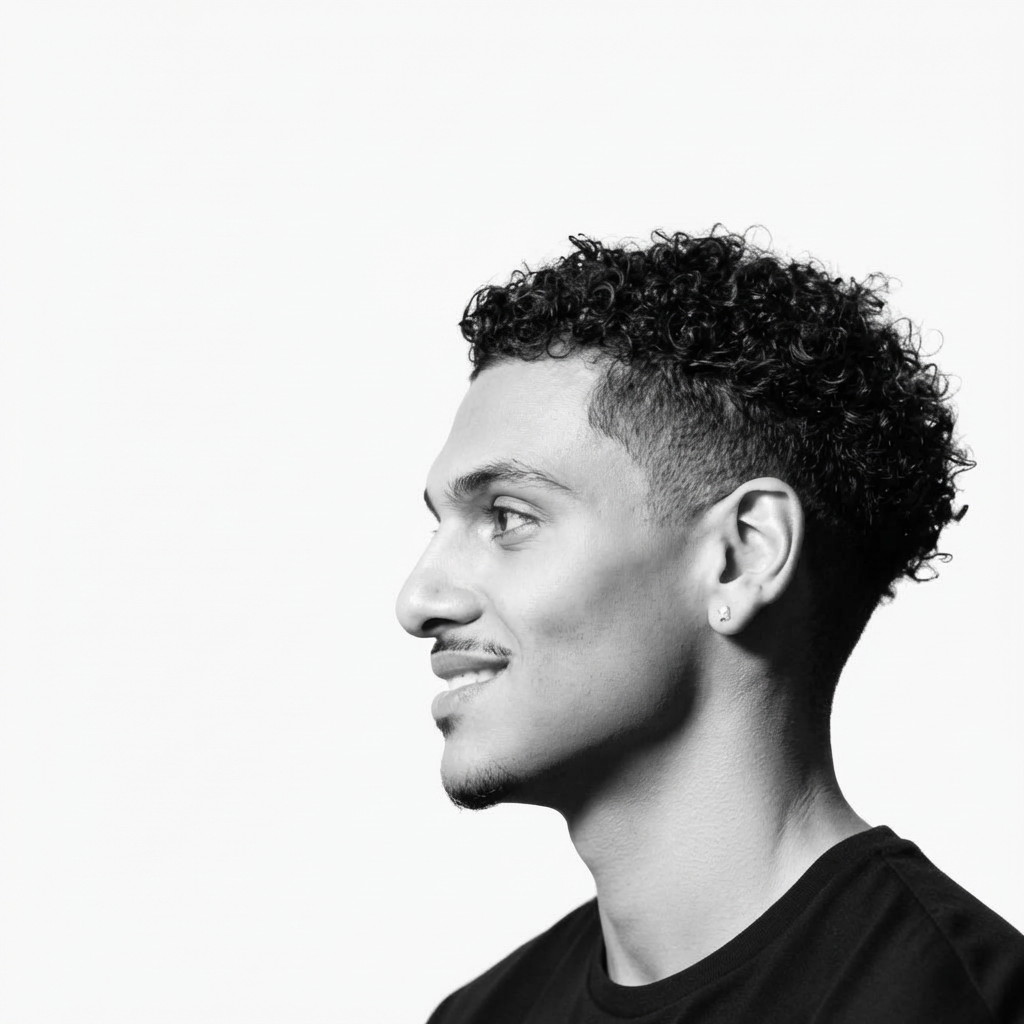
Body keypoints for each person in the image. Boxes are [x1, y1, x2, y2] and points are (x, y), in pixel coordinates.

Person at [395, 229, 1024, 1023]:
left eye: (508, 518)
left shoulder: (953, 1003)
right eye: (438, 525)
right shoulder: (481, 1015)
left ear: (741, 557)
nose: (418, 600)